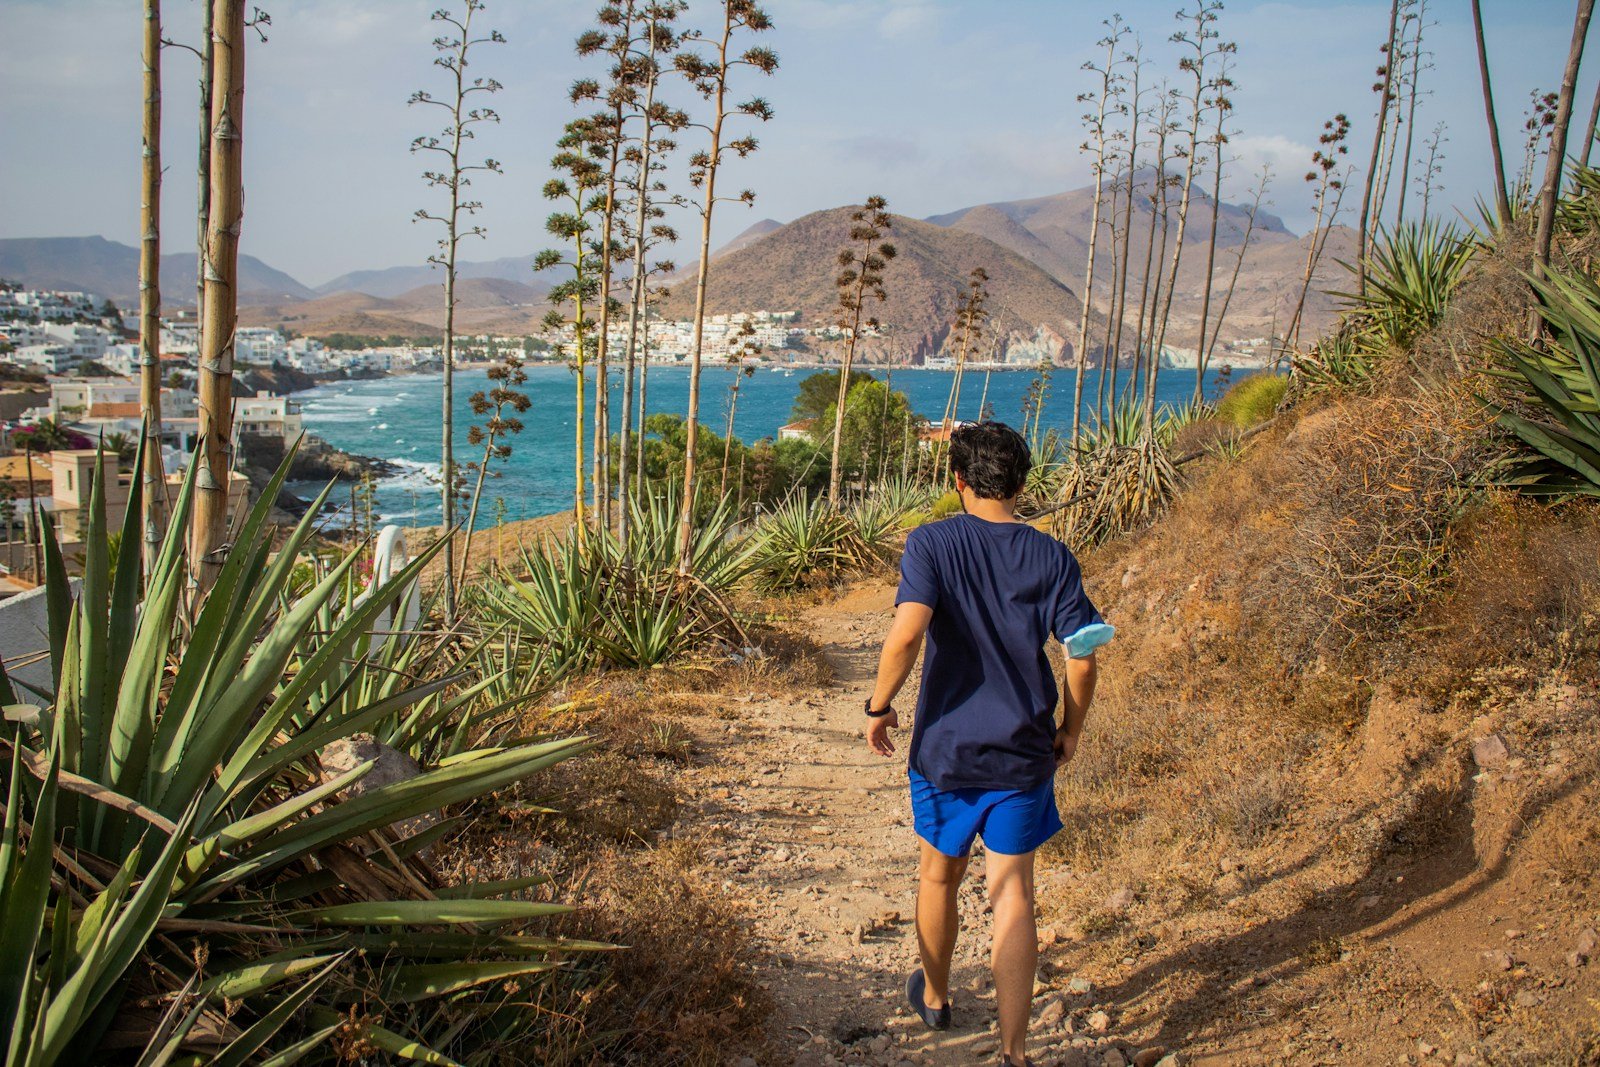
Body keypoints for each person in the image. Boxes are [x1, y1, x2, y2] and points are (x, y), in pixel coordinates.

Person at [863, 421, 1111, 1067]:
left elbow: (907, 634)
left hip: (946, 749)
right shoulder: (1052, 556)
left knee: (938, 875)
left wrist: (879, 706)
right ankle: (1015, 1049)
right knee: (1013, 894)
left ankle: (939, 995)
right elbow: (1081, 658)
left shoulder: (932, 542)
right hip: (1024, 750)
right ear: (1024, 481)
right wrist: (1071, 730)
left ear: (958, 479)